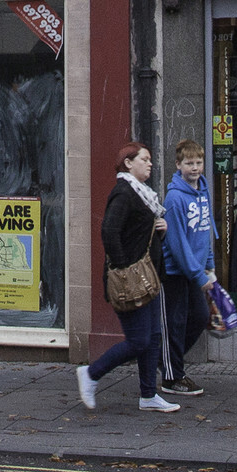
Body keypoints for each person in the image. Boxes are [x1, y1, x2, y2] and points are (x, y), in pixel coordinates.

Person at [76, 142, 179, 414]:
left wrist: (161, 229)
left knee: (153, 336)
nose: (150, 163)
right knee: (138, 341)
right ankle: (91, 373)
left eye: (149, 159)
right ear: (128, 163)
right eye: (144, 159)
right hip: (130, 280)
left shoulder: (143, 194)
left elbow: (135, 233)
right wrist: (124, 269)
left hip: (148, 277)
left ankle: (148, 395)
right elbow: (109, 231)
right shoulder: (124, 192)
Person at [161, 138, 216, 394]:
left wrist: (210, 265)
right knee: (177, 321)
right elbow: (177, 242)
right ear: (178, 164)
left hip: (195, 271)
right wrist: (197, 274)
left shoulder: (203, 191)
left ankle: (169, 361)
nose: (194, 168)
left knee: (200, 317)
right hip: (175, 272)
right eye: (189, 163)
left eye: (198, 162)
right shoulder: (174, 198)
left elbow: (205, 231)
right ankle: (172, 377)